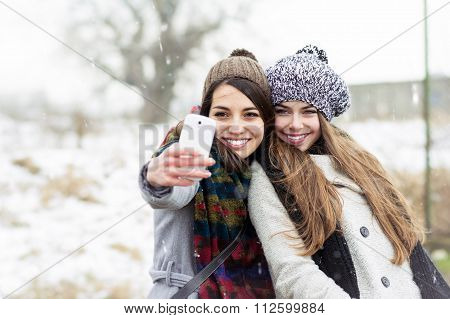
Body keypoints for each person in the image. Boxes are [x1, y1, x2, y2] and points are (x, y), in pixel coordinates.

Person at [248, 45, 450, 298]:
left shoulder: (362, 164)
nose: (295, 124)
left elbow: (408, 245)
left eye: (308, 111)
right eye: (283, 111)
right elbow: (292, 272)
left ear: (324, 116)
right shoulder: (269, 175)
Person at [139, 49, 276, 298]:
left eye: (250, 114)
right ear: (205, 115)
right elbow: (177, 187)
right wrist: (157, 178)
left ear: (266, 120)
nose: (236, 127)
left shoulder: (269, 169)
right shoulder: (189, 151)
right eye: (222, 114)